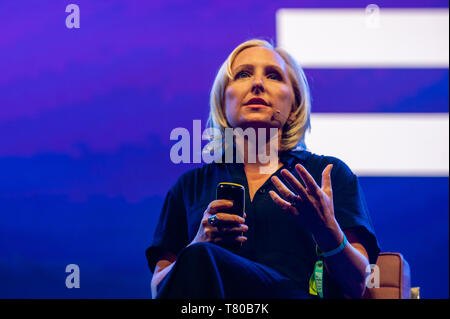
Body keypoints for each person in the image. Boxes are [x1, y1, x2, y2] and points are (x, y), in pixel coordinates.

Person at [146, 39, 380, 299]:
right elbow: (159, 290)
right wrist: (198, 244)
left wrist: (327, 231)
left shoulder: (328, 174)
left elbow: (359, 285)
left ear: (293, 106)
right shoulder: (189, 186)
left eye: (273, 75)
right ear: (224, 103)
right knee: (202, 255)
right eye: (243, 74)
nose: (257, 84)